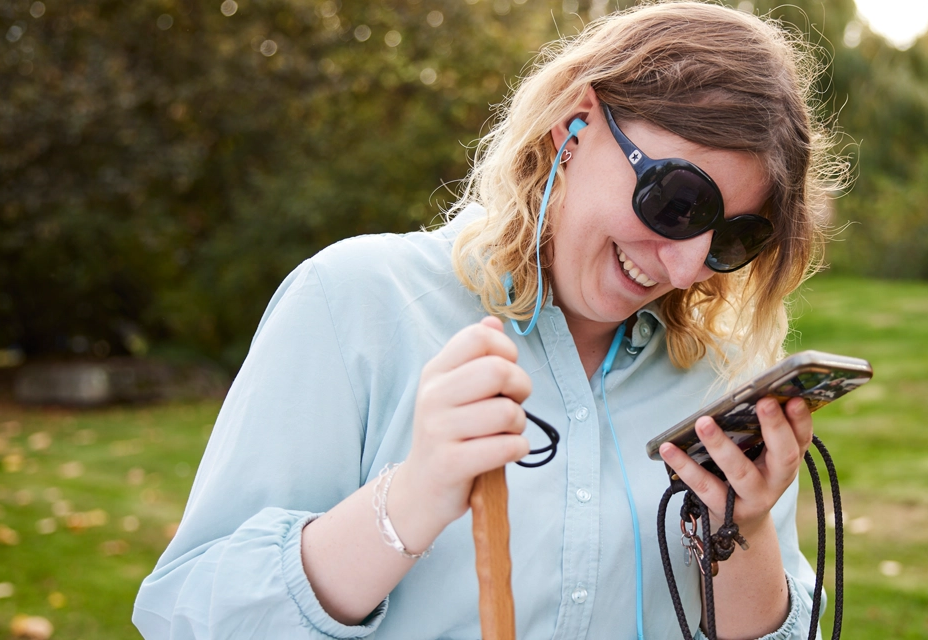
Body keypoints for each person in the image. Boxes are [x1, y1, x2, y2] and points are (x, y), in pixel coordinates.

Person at [134, 2, 844, 638]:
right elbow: (193, 614)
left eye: (732, 240)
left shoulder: (721, 385)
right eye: (678, 204)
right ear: (576, 125)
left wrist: (742, 531)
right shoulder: (355, 302)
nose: (686, 268)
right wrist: (412, 497)